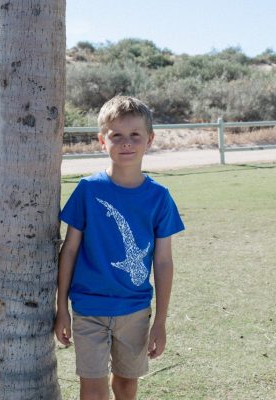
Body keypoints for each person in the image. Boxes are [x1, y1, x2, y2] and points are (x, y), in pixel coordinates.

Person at [55, 96, 185, 400]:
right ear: (103, 141)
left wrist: (161, 322)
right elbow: (70, 250)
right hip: (88, 309)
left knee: (126, 385)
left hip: (135, 311)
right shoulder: (88, 190)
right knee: (93, 389)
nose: (126, 143)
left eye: (135, 135)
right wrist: (61, 308)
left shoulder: (159, 197)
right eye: (117, 136)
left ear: (149, 140)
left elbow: (164, 262)